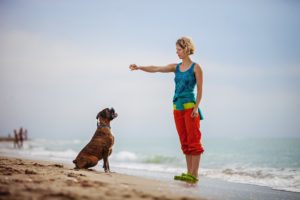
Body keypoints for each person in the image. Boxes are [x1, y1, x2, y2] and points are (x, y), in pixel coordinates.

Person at [129, 36, 205, 183]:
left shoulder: (196, 68)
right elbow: (156, 68)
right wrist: (139, 67)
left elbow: (201, 90)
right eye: (176, 50)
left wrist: (196, 107)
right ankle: (189, 172)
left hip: (191, 109)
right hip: (177, 109)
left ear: (187, 49)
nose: (177, 52)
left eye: (179, 50)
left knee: (194, 141)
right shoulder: (175, 67)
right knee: (184, 142)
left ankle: (194, 175)